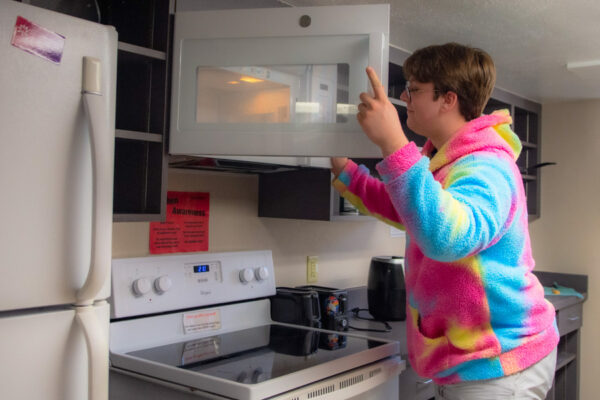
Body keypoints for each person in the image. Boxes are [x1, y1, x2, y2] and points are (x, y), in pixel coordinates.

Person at [331, 43, 558, 399]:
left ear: (448, 99)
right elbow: (408, 210)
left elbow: (448, 236)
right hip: (471, 359)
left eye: (415, 89)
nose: (405, 97)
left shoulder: (485, 165)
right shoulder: (443, 161)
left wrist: (393, 142)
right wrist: (346, 172)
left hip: (499, 361)